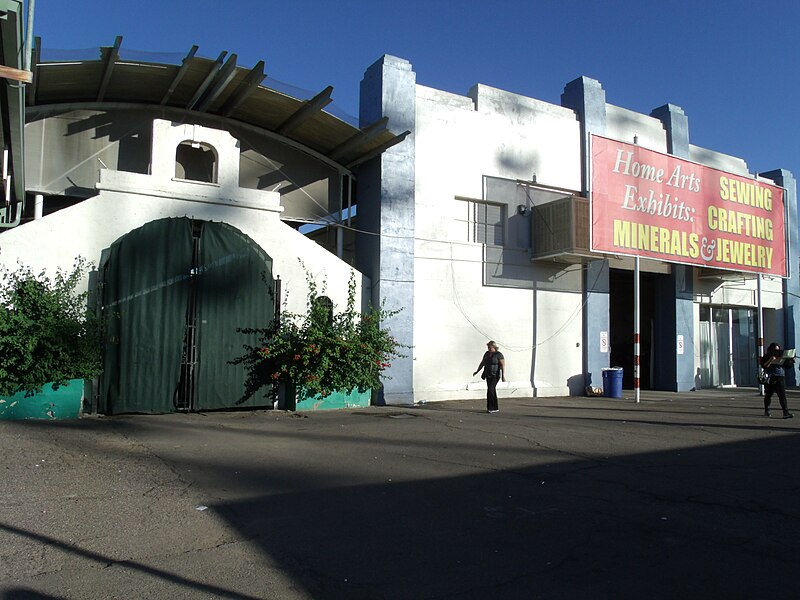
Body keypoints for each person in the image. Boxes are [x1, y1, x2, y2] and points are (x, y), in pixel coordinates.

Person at [760, 342, 794, 419]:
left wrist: (790, 361)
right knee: (768, 394)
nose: (777, 352)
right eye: (775, 350)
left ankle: (785, 412)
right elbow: (764, 366)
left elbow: (787, 366)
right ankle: (767, 410)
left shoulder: (781, 357)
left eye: (778, 350)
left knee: (782, 395)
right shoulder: (767, 356)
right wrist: (771, 360)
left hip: (780, 377)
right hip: (771, 377)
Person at [473, 341, 505, 413]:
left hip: (495, 375)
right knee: (491, 390)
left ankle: (491, 408)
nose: (489, 348)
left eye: (490, 347)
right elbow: (482, 363)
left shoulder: (498, 355)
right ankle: (494, 407)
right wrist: (477, 371)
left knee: (490, 389)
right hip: (488, 374)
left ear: (494, 347)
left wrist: (503, 375)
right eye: (488, 347)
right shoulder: (487, 354)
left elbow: (502, 365)